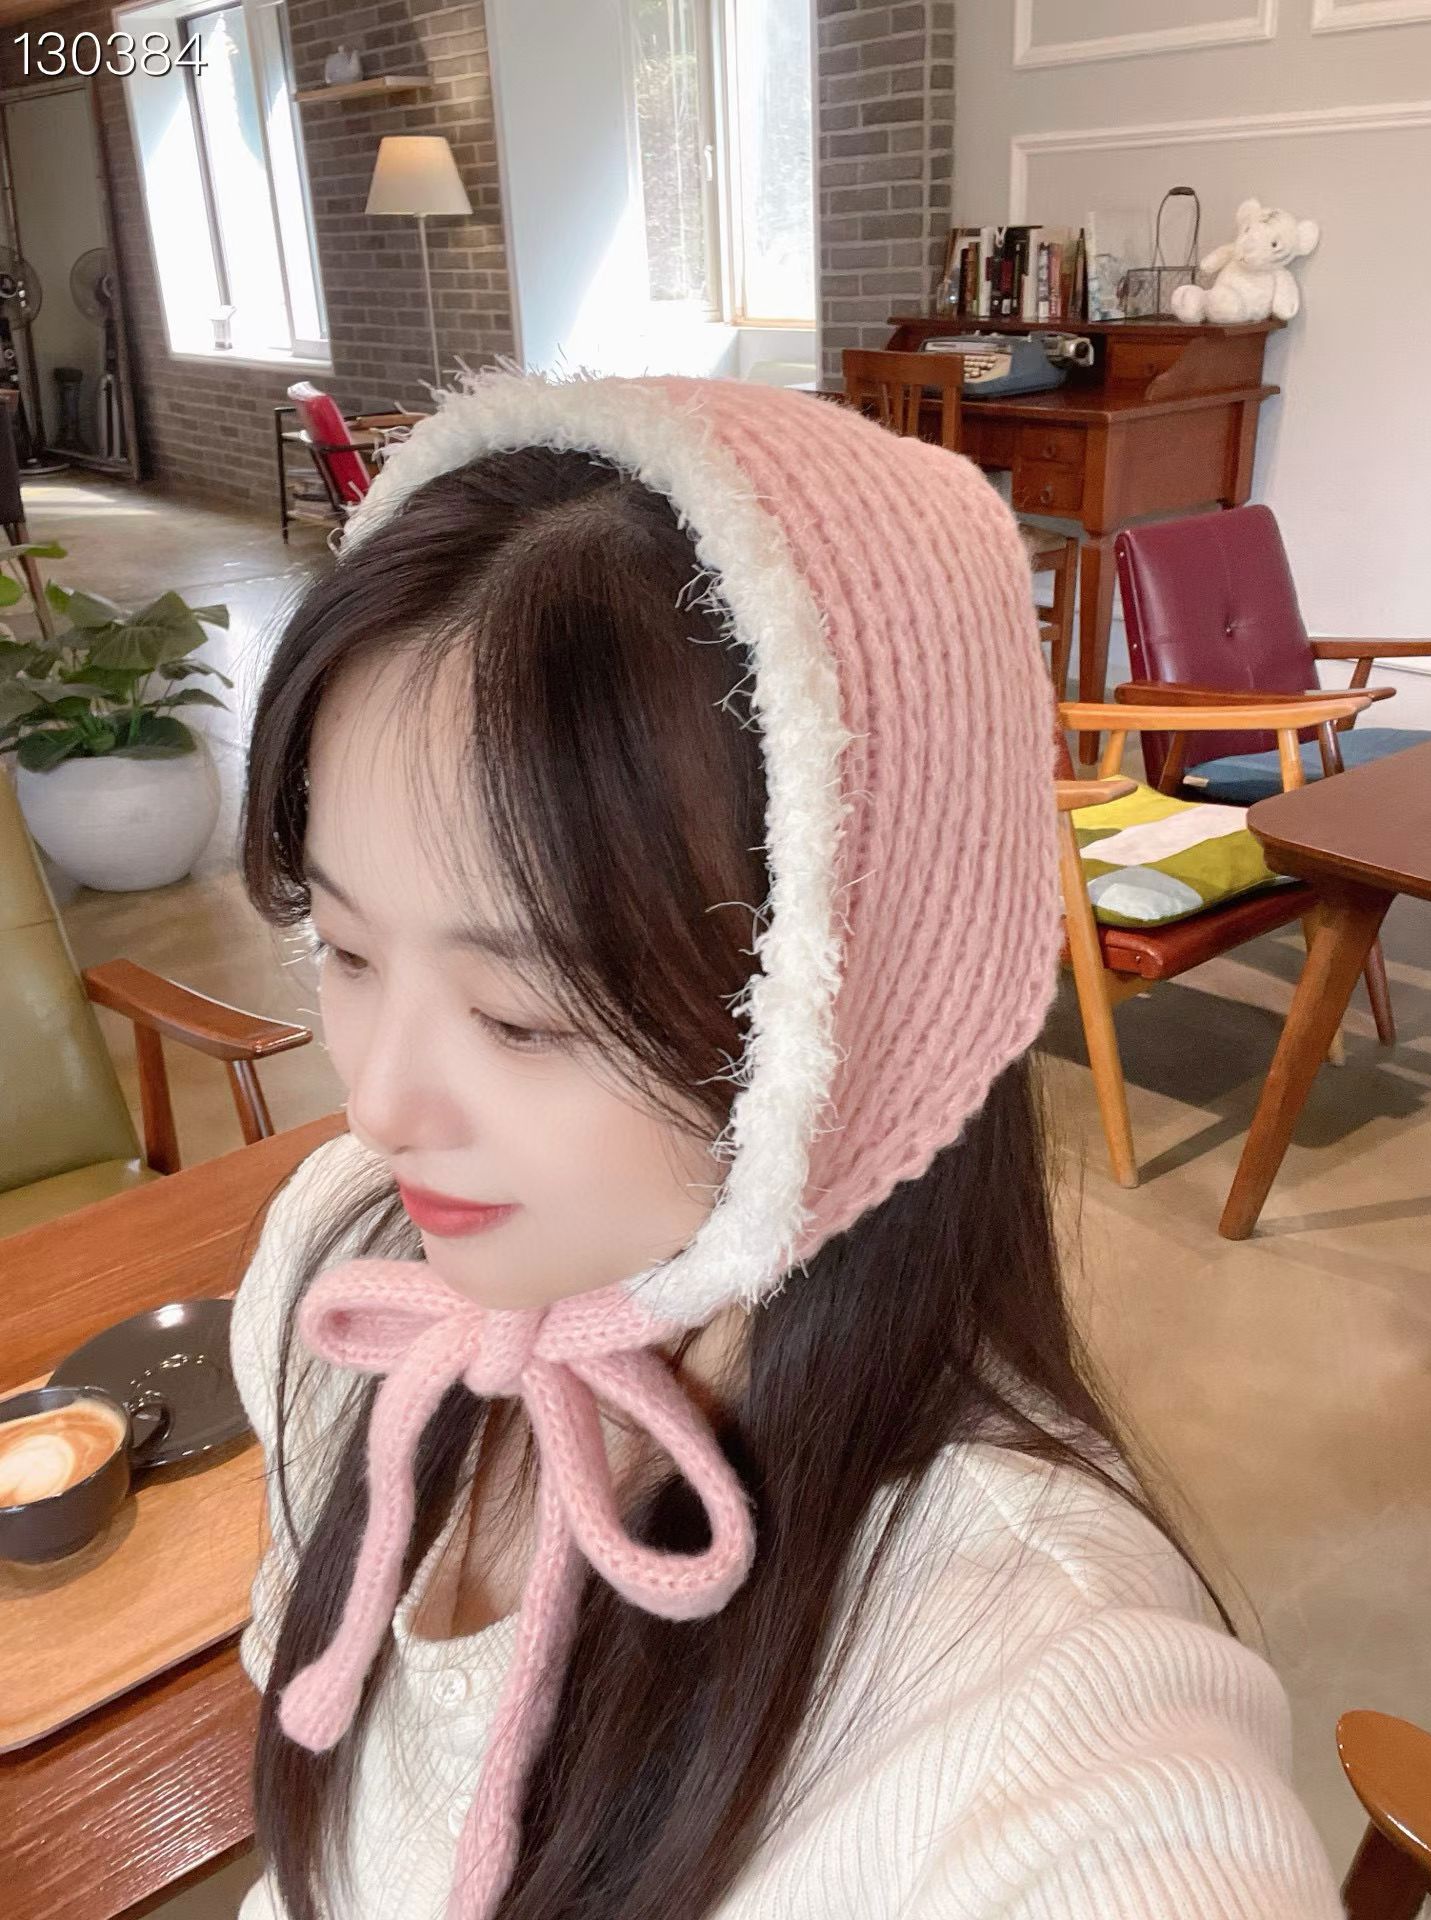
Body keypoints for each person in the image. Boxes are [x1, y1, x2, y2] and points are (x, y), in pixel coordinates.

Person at [231, 369, 1340, 1920]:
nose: (378, 1107)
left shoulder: (1037, 1698)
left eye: (521, 1017)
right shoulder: (340, 1262)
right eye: (347, 951)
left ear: (856, 1001)